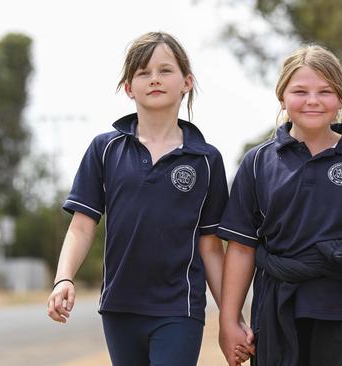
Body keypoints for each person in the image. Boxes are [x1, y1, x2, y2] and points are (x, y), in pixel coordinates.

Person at [46, 32, 230, 366]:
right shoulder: (105, 149)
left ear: (186, 82)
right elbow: (82, 225)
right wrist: (63, 277)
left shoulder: (206, 159)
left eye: (165, 70)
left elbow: (211, 246)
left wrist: (230, 318)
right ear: (129, 87)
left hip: (180, 306)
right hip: (119, 306)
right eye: (143, 72)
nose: (154, 79)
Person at [217, 44, 342, 366]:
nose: (312, 100)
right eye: (300, 91)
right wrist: (229, 320)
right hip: (278, 312)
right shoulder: (258, 162)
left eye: (325, 91)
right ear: (282, 96)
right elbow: (242, 247)